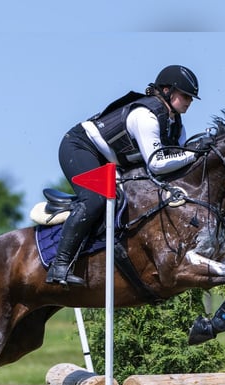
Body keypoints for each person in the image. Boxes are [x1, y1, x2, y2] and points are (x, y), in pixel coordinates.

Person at [46, 65, 202, 287]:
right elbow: (157, 163)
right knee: (95, 198)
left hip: (111, 160)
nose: (189, 101)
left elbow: (176, 162)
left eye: (191, 98)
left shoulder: (176, 125)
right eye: (186, 95)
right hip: (80, 147)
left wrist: (194, 152)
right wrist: (193, 153)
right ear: (167, 90)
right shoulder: (146, 116)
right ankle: (59, 265)